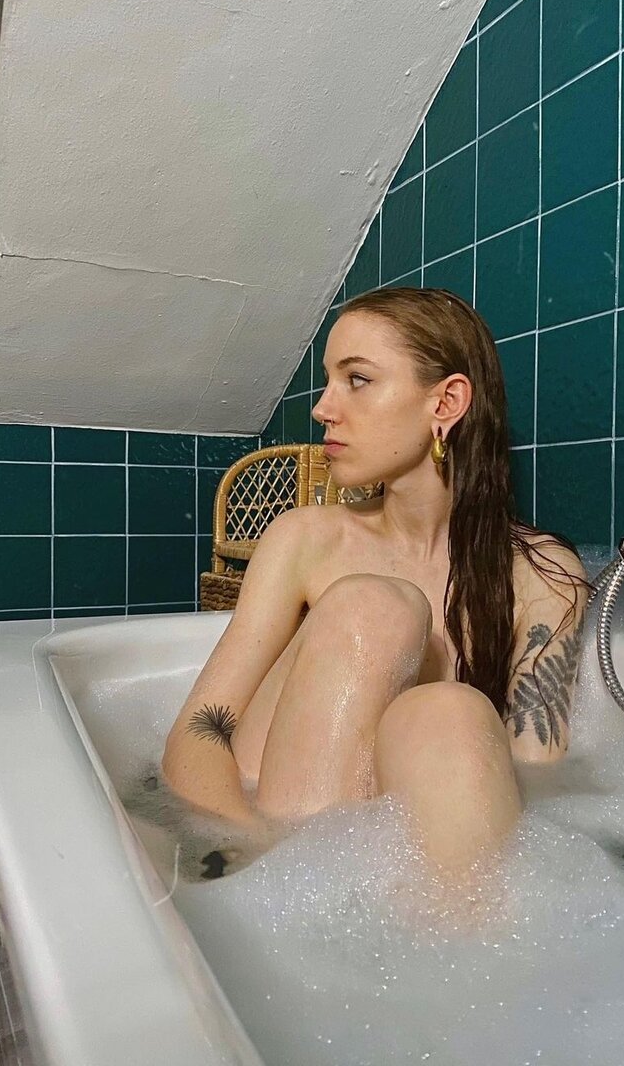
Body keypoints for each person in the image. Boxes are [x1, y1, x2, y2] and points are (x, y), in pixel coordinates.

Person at [162, 287, 589, 872]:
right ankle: (302, 890)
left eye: (357, 379)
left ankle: (455, 923)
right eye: (328, 381)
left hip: (410, 850)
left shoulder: (544, 574)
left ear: (446, 403)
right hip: (264, 830)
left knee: (449, 711)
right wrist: (247, 845)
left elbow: (537, 773)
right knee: (374, 608)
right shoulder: (305, 539)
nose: (322, 408)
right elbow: (199, 734)